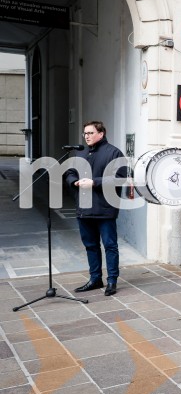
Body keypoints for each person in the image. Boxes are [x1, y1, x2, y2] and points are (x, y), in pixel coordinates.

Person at [66, 121, 129, 296]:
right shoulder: (80, 152)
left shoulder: (114, 152)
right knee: (90, 245)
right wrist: (74, 181)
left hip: (104, 208)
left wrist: (95, 182)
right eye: (84, 133)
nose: (86, 136)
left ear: (101, 134)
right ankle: (95, 279)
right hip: (83, 208)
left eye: (90, 133)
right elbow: (70, 172)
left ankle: (112, 281)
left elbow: (121, 177)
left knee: (110, 246)